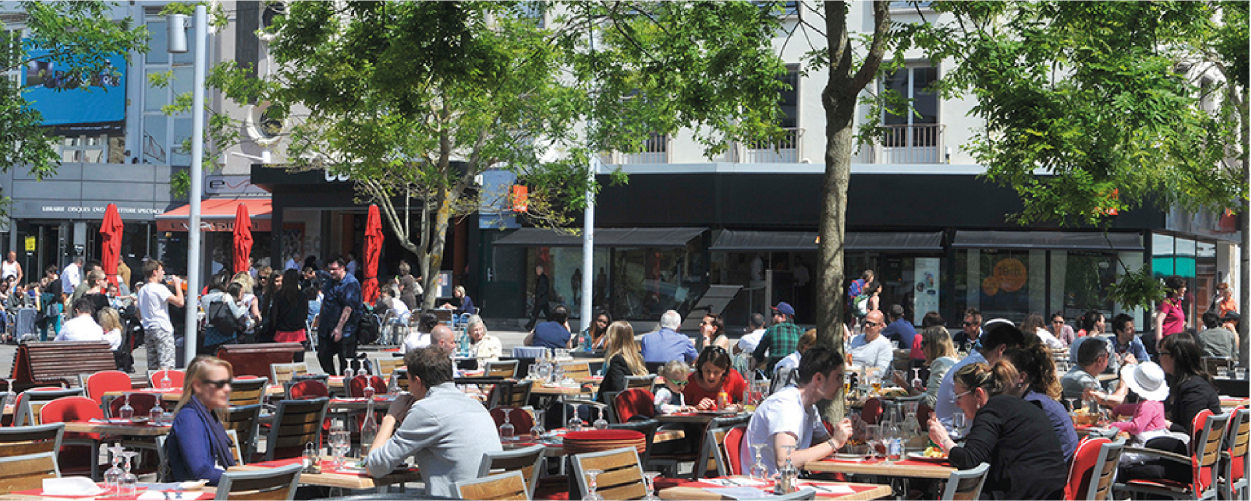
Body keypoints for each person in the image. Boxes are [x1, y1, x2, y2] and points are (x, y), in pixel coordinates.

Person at [365, 348, 501, 496]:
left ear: (417, 381)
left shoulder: (426, 410)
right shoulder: (477, 405)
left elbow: (374, 466)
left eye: (408, 382)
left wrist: (391, 415)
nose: (408, 389)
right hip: (491, 494)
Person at [927, 361, 1067, 500]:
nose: (957, 403)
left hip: (1024, 494)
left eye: (959, 396)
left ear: (978, 394)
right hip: (1048, 492)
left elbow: (969, 460)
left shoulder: (992, 411)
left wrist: (943, 439)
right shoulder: (1014, 406)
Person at [741, 346, 853, 475]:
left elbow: (828, 446)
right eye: (837, 378)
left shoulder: (809, 406)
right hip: (766, 488)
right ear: (818, 379)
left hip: (787, 484)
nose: (840, 385)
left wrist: (850, 437)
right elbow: (784, 461)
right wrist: (834, 442)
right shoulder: (786, 405)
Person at [935, 319, 1025, 432]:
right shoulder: (977, 371)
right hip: (956, 436)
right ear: (1002, 350)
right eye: (1015, 358)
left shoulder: (973, 363)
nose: (1015, 364)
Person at [1004, 339, 1079, 463]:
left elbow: (1010, 450)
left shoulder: (1033, 406)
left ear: (1021, 377)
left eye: (1001, 373)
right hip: (1058, 473)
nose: (995, 378)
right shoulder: (1040, 398)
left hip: (1052, 477)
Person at [166, 356, 237, 485]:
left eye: (228, 383)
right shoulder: (189, 418)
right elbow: (200, 473)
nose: (227, 389)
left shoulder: (210, 416)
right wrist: (243, 478)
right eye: (220, 384)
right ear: (198, 386)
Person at [1157, 332, 1220, 435]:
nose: (1159, 358)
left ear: (1177, 356)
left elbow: (1189, 431)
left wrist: (1163, 423)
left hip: (1196, 448)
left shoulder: (1194, 389)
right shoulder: (1185, 382)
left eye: (1162, 353)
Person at [1109, 361, 1172, 465]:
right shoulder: (1155, 402)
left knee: (1114, 458)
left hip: (1145, 447)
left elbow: (1136, 428)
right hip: (1153, 445)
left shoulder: (1147, 405)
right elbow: (1136, 408)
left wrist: (1115, 425)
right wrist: (1119, 409)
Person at [892, 326, 958, 408]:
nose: (921, 348)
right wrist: (923, 392)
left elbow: (930, 402)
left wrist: (905, 385)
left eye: (923, 344)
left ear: (934, 345)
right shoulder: (951, 361)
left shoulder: (940, 363)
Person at [317, 257, 363, 375]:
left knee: (345, 362)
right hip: (327, 328)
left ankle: (345, 387)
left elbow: (348, 307)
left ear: (342, 268)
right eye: (329, 269)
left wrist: (339, 328)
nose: (331, 272)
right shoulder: (330, 282)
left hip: (346, 330)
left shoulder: (351, 283)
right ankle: (332, 378)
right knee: (323, 355)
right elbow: (325, 302)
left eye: (334, 269)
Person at [138, 260, 184, 370]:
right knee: (166, 364)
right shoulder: (159, 288)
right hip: (162, 328)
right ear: (154, 272)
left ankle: (153, 385)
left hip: (148, 328)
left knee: (152, 366)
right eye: (161, 270)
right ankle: (165, 386)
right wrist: (178, 285)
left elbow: (139, 312)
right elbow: (180, 302)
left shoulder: (142, 290)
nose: (163, 273)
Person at [597, 320, 648, 402]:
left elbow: (618, 391)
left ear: (615, 339)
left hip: (609, 409)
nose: (607, 340)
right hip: (635, 406)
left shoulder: (617, 360)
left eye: (609, 336)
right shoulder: (638, 360)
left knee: (572, 408)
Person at [752, 302, 803, 372]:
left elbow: (758, 355)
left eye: (774, 314)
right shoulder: (800, 332)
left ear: (783, 317)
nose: (772, 318)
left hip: (774, 375)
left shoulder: (771, 330)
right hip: (795, 374)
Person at [202, 276, 247, 353]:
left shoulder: (204, 298)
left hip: (210, 334)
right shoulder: (226, 296)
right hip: (226, 333)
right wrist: (243, 307)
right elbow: (237, 314)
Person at [272, 269, 309, 362]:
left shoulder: (278, 296)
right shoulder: (303, 296)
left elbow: (274, 315)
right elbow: (305, 314)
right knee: (299, 364)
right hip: (299, 334)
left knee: (282, 364)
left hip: (282, 333)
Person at [1061, 336, 1111, 403]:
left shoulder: (1083, 374)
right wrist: (1124, 379)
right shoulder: (1080, 380)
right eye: (1107, 357)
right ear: (1099, 361)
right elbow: (1110, 402)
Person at [1153, 276, 1187, 351]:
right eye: (1183, 287)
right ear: (1175, 289)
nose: (1185, 289)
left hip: (1176, 341)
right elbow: (1159, 320)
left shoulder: (1178, 303)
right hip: (1167, 341)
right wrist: (1159, 341)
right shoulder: (1167, 303)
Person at [524, 264, 551, 331]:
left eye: (537, 270)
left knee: (536, 313)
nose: (536, 271)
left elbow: (542, 289)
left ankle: (529, 326)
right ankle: (529, 325)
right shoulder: (543, 278)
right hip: (542, 299)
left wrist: (538, 295)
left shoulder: (542, 278)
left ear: (540, 270)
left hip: (541, 299)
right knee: (545, 313)